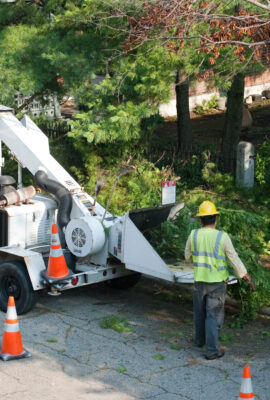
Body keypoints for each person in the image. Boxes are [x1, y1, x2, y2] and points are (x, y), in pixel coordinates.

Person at [185, 200, 255, 360]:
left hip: (199, 281)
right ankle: (211, 351)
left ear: (201, 219)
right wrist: (245, 275)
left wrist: (198, 265)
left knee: (199, 313)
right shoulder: (223, 237)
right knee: (213, 315)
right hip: (217, 284)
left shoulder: (193, 234)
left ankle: (199, 341)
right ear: (215, 218)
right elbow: (233, 258)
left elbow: (187, 256)